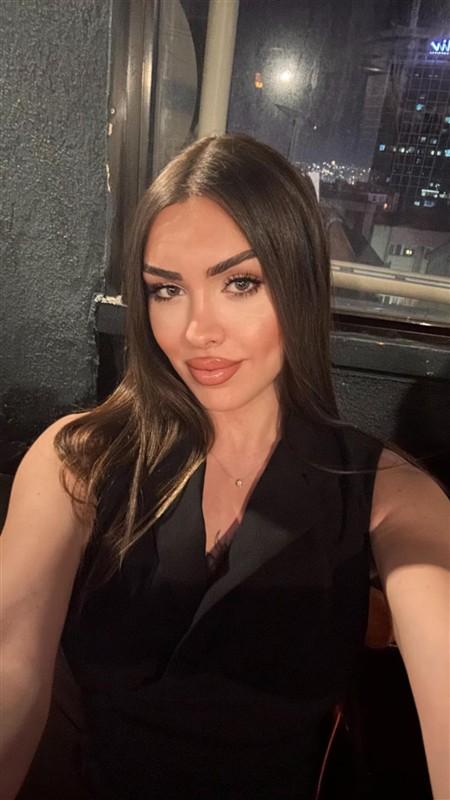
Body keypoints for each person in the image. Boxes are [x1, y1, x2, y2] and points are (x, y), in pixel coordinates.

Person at [1, 133, 448, 800]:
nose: (196, 331)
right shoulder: (80, 461)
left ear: (298, 284)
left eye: (240, 283)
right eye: (166, 290)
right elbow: (10, 664)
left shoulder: (382, 490)